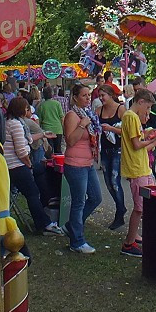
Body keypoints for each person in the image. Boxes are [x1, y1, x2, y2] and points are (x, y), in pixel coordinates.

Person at [4, 97, 65, 237]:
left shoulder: (14, 123)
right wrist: (29, 164)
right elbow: (21, 151)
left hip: (14, 164)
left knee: (43, 170)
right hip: (16, 166)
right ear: (21, 109)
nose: (28, 110)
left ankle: (48, 202)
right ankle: (44, 223)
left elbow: (28, 139)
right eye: (26, 108)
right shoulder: (16, 125)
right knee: (32, 193)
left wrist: (43, 134)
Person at [120, 88, 156, 257]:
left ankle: (134, 237)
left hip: (142, 167)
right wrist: (153, 139)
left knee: (145, 205)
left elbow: (139, 142)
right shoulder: (131, 117)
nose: (147, 112)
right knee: (139, 208)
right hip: (137, 168)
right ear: (140, 102)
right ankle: (128, 243)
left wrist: (149, 136)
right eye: (147, 108)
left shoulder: (131, 117)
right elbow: (137, 145)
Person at [62, 85, 103, 254]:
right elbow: (70, 141)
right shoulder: (73, 115)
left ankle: (71, 226)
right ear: (75, 97)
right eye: (84, 96)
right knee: (78, 203)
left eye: (88, 95)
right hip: (75, 164)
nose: (87, 98)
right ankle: (77, 241)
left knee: (95, 198)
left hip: (87, 162)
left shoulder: (88, 114)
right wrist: (81, 126)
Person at [97, 85, 128, 231]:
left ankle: (120, 212)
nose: (101, 98)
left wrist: (111, 129)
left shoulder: (120, 109)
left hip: (117, 149)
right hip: (105, 150)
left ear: (110, 95)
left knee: (115, 181)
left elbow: (128, 130)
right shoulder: (99, 111)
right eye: (100, 95)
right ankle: (120, 207)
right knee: (108, 183)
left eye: (103, 95)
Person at [38, 86, 64, 154]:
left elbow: (39, 120)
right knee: (58, 150)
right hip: (58, 129)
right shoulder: (57, 104)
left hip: (46, 130)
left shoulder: (41, 105)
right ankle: (58, 163)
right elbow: (61, 117)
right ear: (52, 94)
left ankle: (49, 163)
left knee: (49, 150)